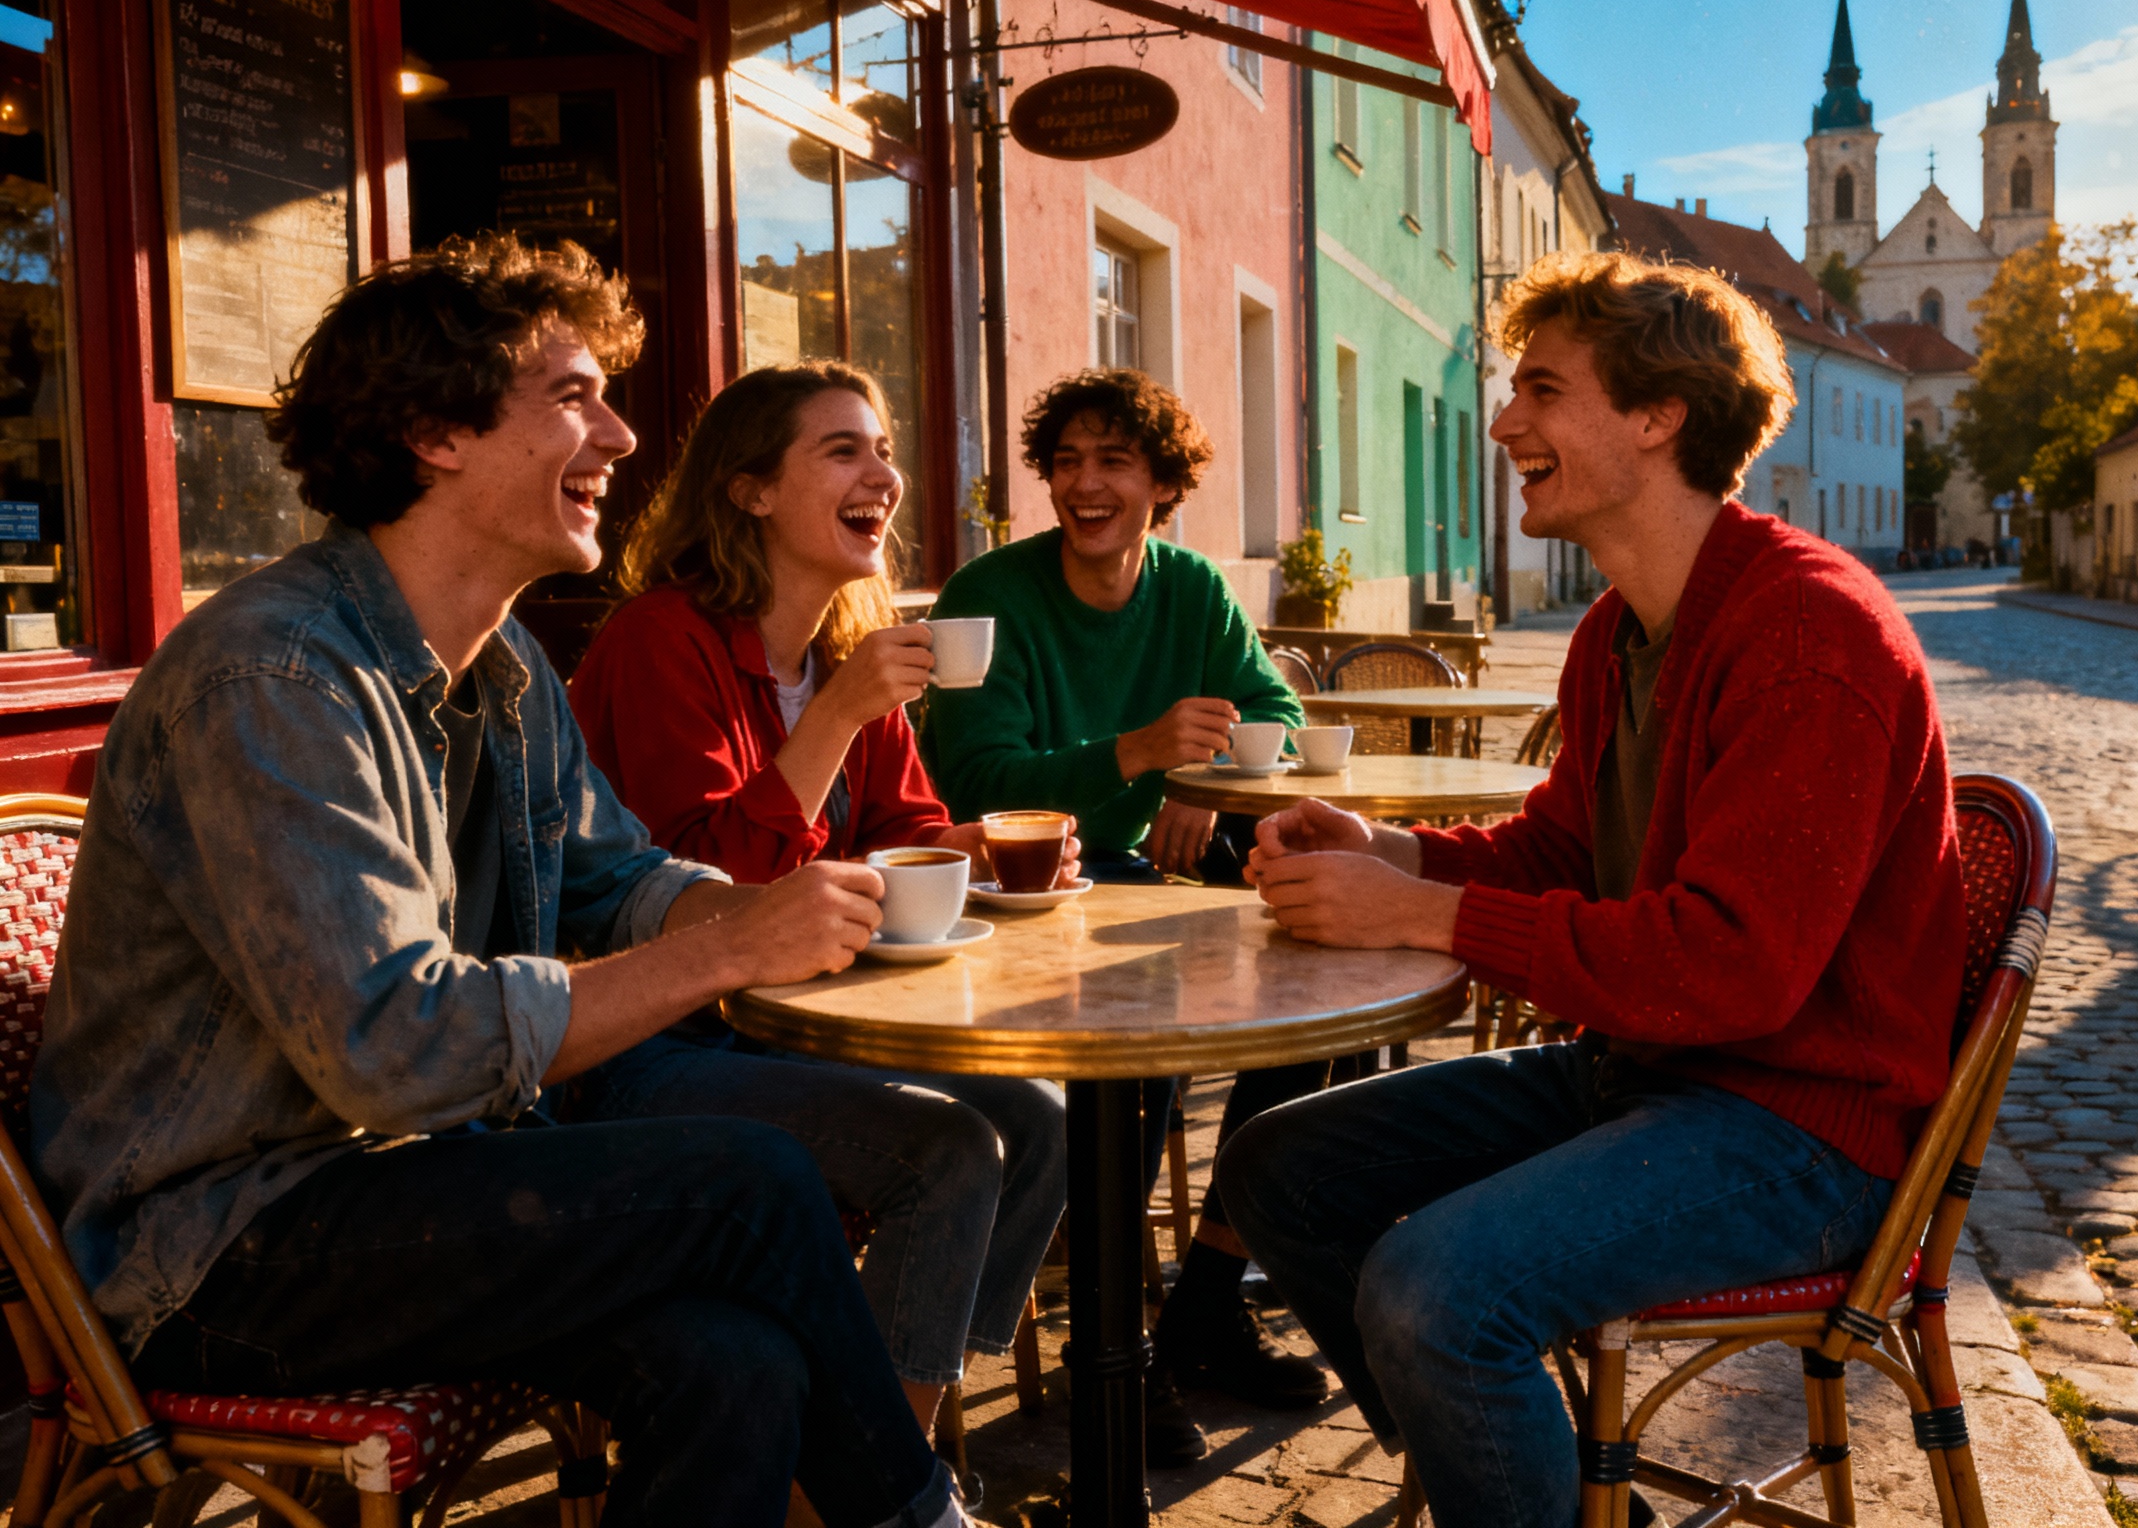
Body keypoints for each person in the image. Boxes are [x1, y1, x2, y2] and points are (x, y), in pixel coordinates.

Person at [31, 235, 966, 1528]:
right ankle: (920, 1520)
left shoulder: (504, 668)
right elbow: (392, 1049)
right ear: (435, 433)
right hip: (216, 1254)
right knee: (756, 1180)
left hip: (420, 1181)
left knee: (733, 1365)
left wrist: (741, 913)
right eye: (574, 395)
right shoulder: (275, 678)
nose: (625, 437)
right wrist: (721, 955)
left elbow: (617, 879)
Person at [1216, 250, 1969, 1528]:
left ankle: (1497, 1452)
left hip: (1801, 1126)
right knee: (1277, 1164)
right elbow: (1562, 848)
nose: (1505, 420)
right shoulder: (1615, 628)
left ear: (1656, 415)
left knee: (1431, 1289)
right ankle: (1508, 1477)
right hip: (1652, 1075)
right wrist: (1389, 855)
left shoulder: (1807, 631)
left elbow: (1734, 964)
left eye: (1541, 389)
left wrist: (1425, 915)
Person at [566, 361, 1069, 1435]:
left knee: (1035, 1115)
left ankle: (907, 1432)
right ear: (748, 488)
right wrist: (833, 715)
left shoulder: (844, 647)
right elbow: (704, 887)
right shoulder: (663, 638)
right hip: (648, 1036)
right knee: (950, 1150)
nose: (882, 474)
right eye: (842, 449)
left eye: (883, 448)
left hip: (791, 1018)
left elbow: (899, 833)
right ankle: (877, 1476)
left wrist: (979, 852)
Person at [920, 367, 1325, 1464]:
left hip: (1144, 883)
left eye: (1113, 460)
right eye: (1066, 461)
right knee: (1134, 1053)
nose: (1085, 483)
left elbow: (1273, 705)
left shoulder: (1188, 586)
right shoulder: (986, 596)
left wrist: (1199, 779)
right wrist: (1142, 753)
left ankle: (1203, 1294)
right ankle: (1119, 1351)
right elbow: (976, 784)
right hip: (1024, 893)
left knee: (1321, 996)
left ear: (1161, 480)